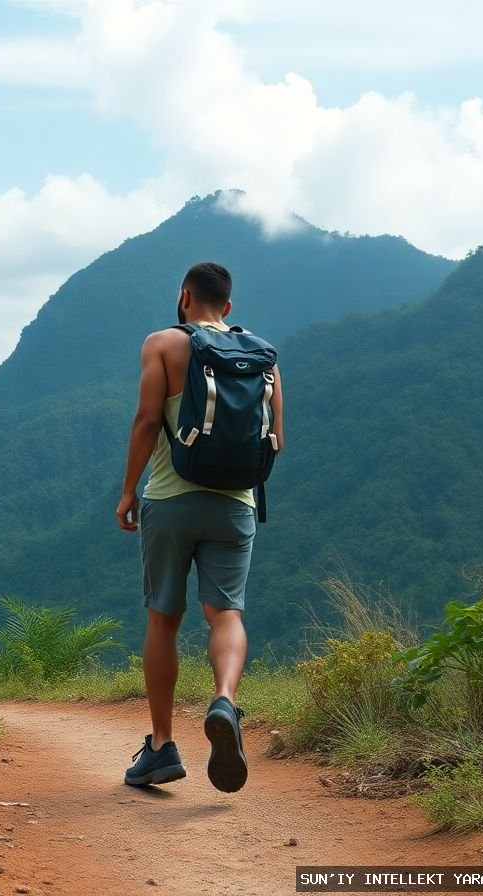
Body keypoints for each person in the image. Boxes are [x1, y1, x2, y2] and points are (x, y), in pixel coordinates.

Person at [114, 261, 284, 793]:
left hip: (170, 498)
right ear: (228, 307)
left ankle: (162, 746)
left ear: (184, 297)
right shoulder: (263, 356)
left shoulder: (163, 344)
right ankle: (225, 702)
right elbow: (277, 436)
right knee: (225, 614)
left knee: (163, 618)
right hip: (236, 503)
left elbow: (146, 420)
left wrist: (126, 491)